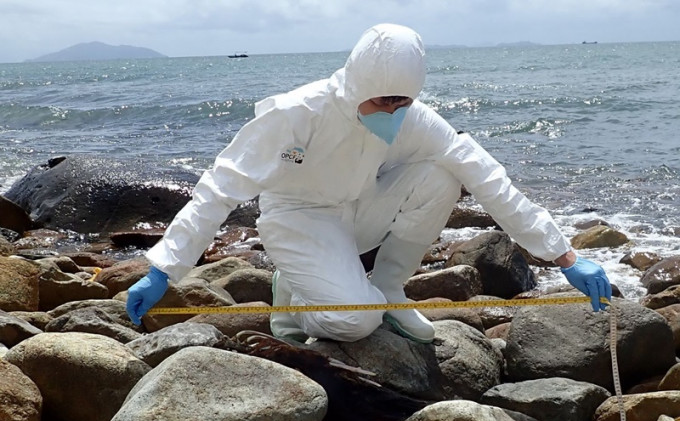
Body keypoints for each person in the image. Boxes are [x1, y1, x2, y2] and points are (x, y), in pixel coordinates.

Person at [126, 23, 612, 344]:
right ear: (358, 84)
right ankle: (295, 302)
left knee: (443, 174)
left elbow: (487, 176)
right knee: (355, 321)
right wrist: (165, 267)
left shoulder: (412, 117)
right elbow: (221, 185)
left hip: (358, 212)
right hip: (299, 219)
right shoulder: (299, 113)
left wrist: (565, 256)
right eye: (383, 102)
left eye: (402, 102)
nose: (393, 113)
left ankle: (389, 288)